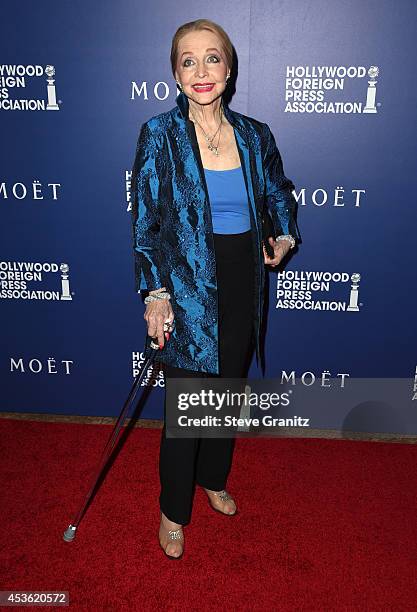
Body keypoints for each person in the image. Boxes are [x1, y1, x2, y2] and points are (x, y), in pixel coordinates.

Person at [131, 19, 301, 559]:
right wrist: (155, 293)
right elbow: (146, 225)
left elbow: (278, 192)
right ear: (175, 74)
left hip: (244, 279)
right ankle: (172, 511)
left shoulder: (255, 134)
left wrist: (284, 233)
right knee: (186, 408)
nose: (201, 71)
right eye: (188, 61)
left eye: (212, 59)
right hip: (186, 286)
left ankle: (213, 478)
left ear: (229, 69)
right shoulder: (159, 134)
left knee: (226, 392)